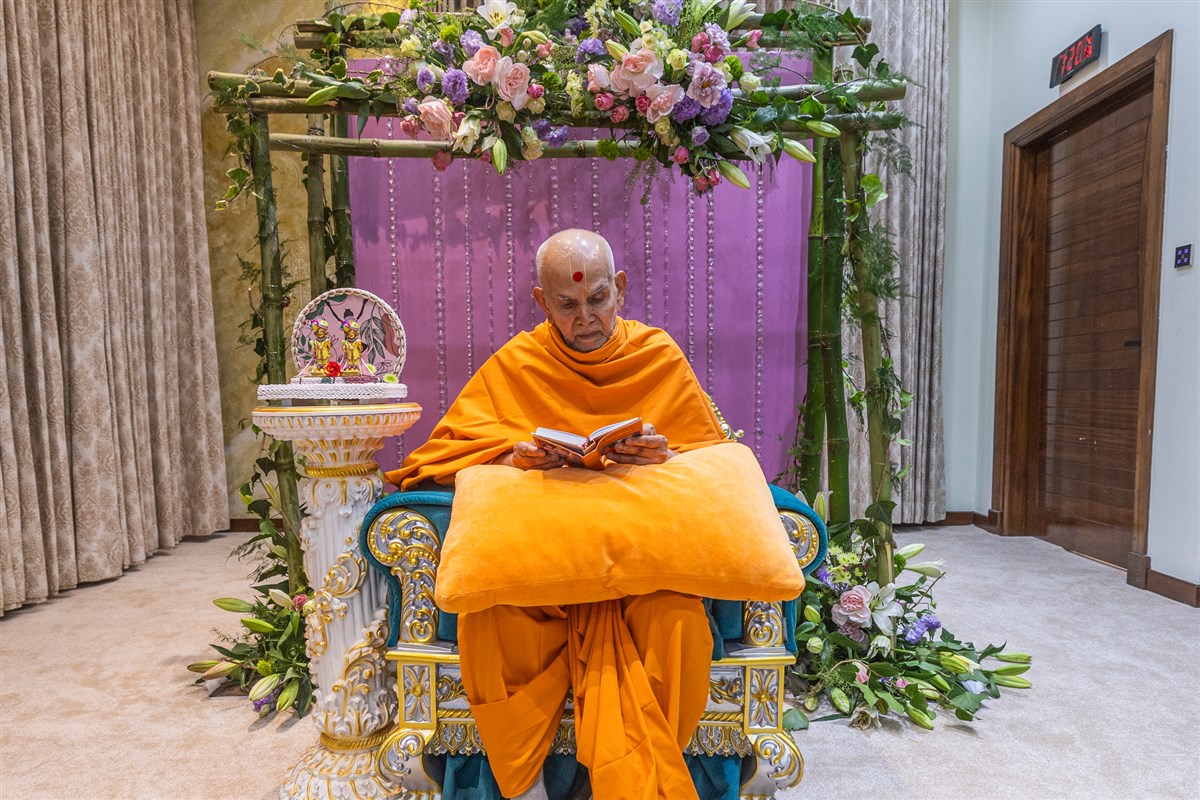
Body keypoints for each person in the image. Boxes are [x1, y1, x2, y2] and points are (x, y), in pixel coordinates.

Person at [387, 229, 730, 800]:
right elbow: (437, 457)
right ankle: (524, 787)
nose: (585, 318)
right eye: (567, 305)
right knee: (491, 619)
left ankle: (636, 783)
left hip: (638, 566)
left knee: (676, 623)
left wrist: (663, 455)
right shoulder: (520, 362)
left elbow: (712, 461)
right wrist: (511, 457)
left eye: (598, 298)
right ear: (541, 301)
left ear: (620, 289)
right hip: (543, 563)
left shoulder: (655, 355)